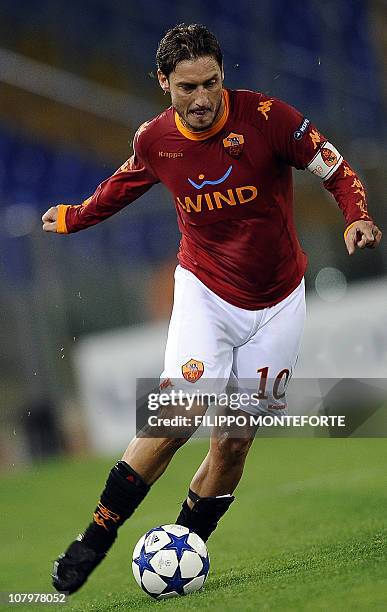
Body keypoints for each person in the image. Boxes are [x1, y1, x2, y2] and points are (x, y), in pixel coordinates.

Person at [42, 23, 382, 594]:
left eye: (212, 84)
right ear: (163, 84)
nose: (201, 100)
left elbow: (335, 167)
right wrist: (77, 216)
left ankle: (181, 547)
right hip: (204, 293)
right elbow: (124, 184)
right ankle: (94, 540)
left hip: (279, 301)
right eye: (186, 88)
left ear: (225, 78)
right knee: (175, 419)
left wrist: (356, 215)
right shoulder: (155, 140)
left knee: (234, 439)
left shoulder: (269, 119)